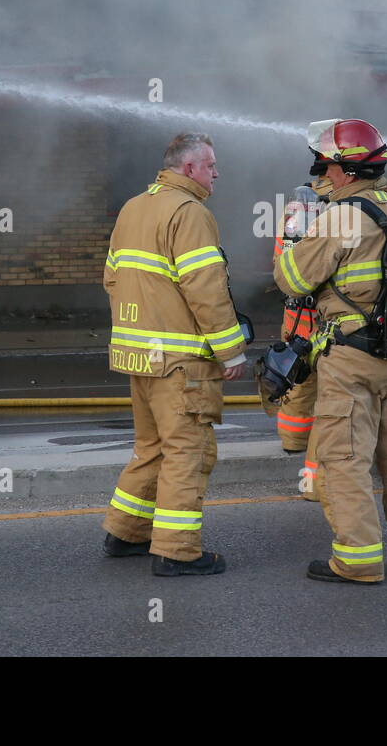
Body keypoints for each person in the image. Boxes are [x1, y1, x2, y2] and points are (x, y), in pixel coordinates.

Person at [273, 118, 387, 584]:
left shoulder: (339, 217)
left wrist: (292, 242)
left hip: (352, 359)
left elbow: (293, 280)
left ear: (346, 171)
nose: (322, 176)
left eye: (326, 166)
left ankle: (358, 560)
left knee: (344, 461)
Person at [101, 132, 248, 576]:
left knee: (151, 447)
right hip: (180, 363)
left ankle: (125, 534)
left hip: (139, 356)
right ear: (189, 169)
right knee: (188, 451)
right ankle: (177, 551)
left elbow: (111, 278)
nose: (216, 173)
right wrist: (230, 351)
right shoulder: (190, 212)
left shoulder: (133, 207)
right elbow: (206, 288)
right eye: (210, 166)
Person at [268, 177, 333, 502]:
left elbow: (280, 263)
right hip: (327, 318)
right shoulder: (340, 213)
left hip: (295, 317)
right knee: (332, 393)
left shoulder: (295, 211)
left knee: (297, 379)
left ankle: (293, 438)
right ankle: (317, 472)